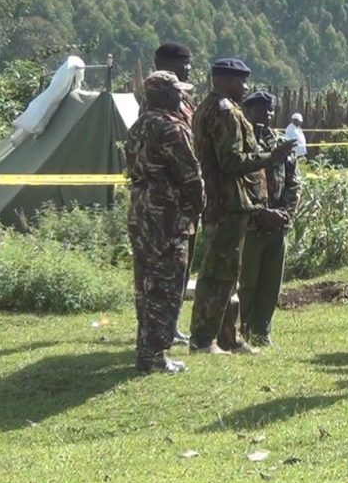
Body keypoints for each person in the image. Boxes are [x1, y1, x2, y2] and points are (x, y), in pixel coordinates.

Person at [189, 58, 294, 356]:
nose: (245, 87)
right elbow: (231, 161)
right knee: (218, 274)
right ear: (226, 81)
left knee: (228, 274)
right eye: (241, 81)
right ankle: (203, 339)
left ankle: (228, 338)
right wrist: (270, 157)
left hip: (224, 201)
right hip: (227, 202)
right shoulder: (224, 111)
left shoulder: (207, 107)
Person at [123, 71, 204, 374]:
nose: (182, 96)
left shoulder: (138, 127)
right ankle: (155, 355)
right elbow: (191, 176)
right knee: (167, 286)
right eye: (177, 92)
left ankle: (146, 350)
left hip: (141, 211)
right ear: (166, 95)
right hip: (168, 216)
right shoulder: (172, 128)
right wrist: (199, 206)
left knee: (145, 285)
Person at [238, 91, 301, 347]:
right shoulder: (242, 144)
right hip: (251, 224)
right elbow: (238, 182)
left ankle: (262, 330)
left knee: (271, 282)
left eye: (271, 110)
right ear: (248, 111)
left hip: (277, 224)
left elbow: (294, 182)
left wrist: (285, 213)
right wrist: (259, 213)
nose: (268, 115)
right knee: (247, 281)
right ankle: (242, 329)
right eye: (262, 110)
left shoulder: (280, 143)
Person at [153, 42, 198, 344]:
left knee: (184, 262)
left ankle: (172, 323)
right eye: (184, 65)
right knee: (165, 268)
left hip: (186, 197)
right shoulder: (157, 105)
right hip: (167, 200)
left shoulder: (184, 101)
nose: (189, 71)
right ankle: (160, 328)